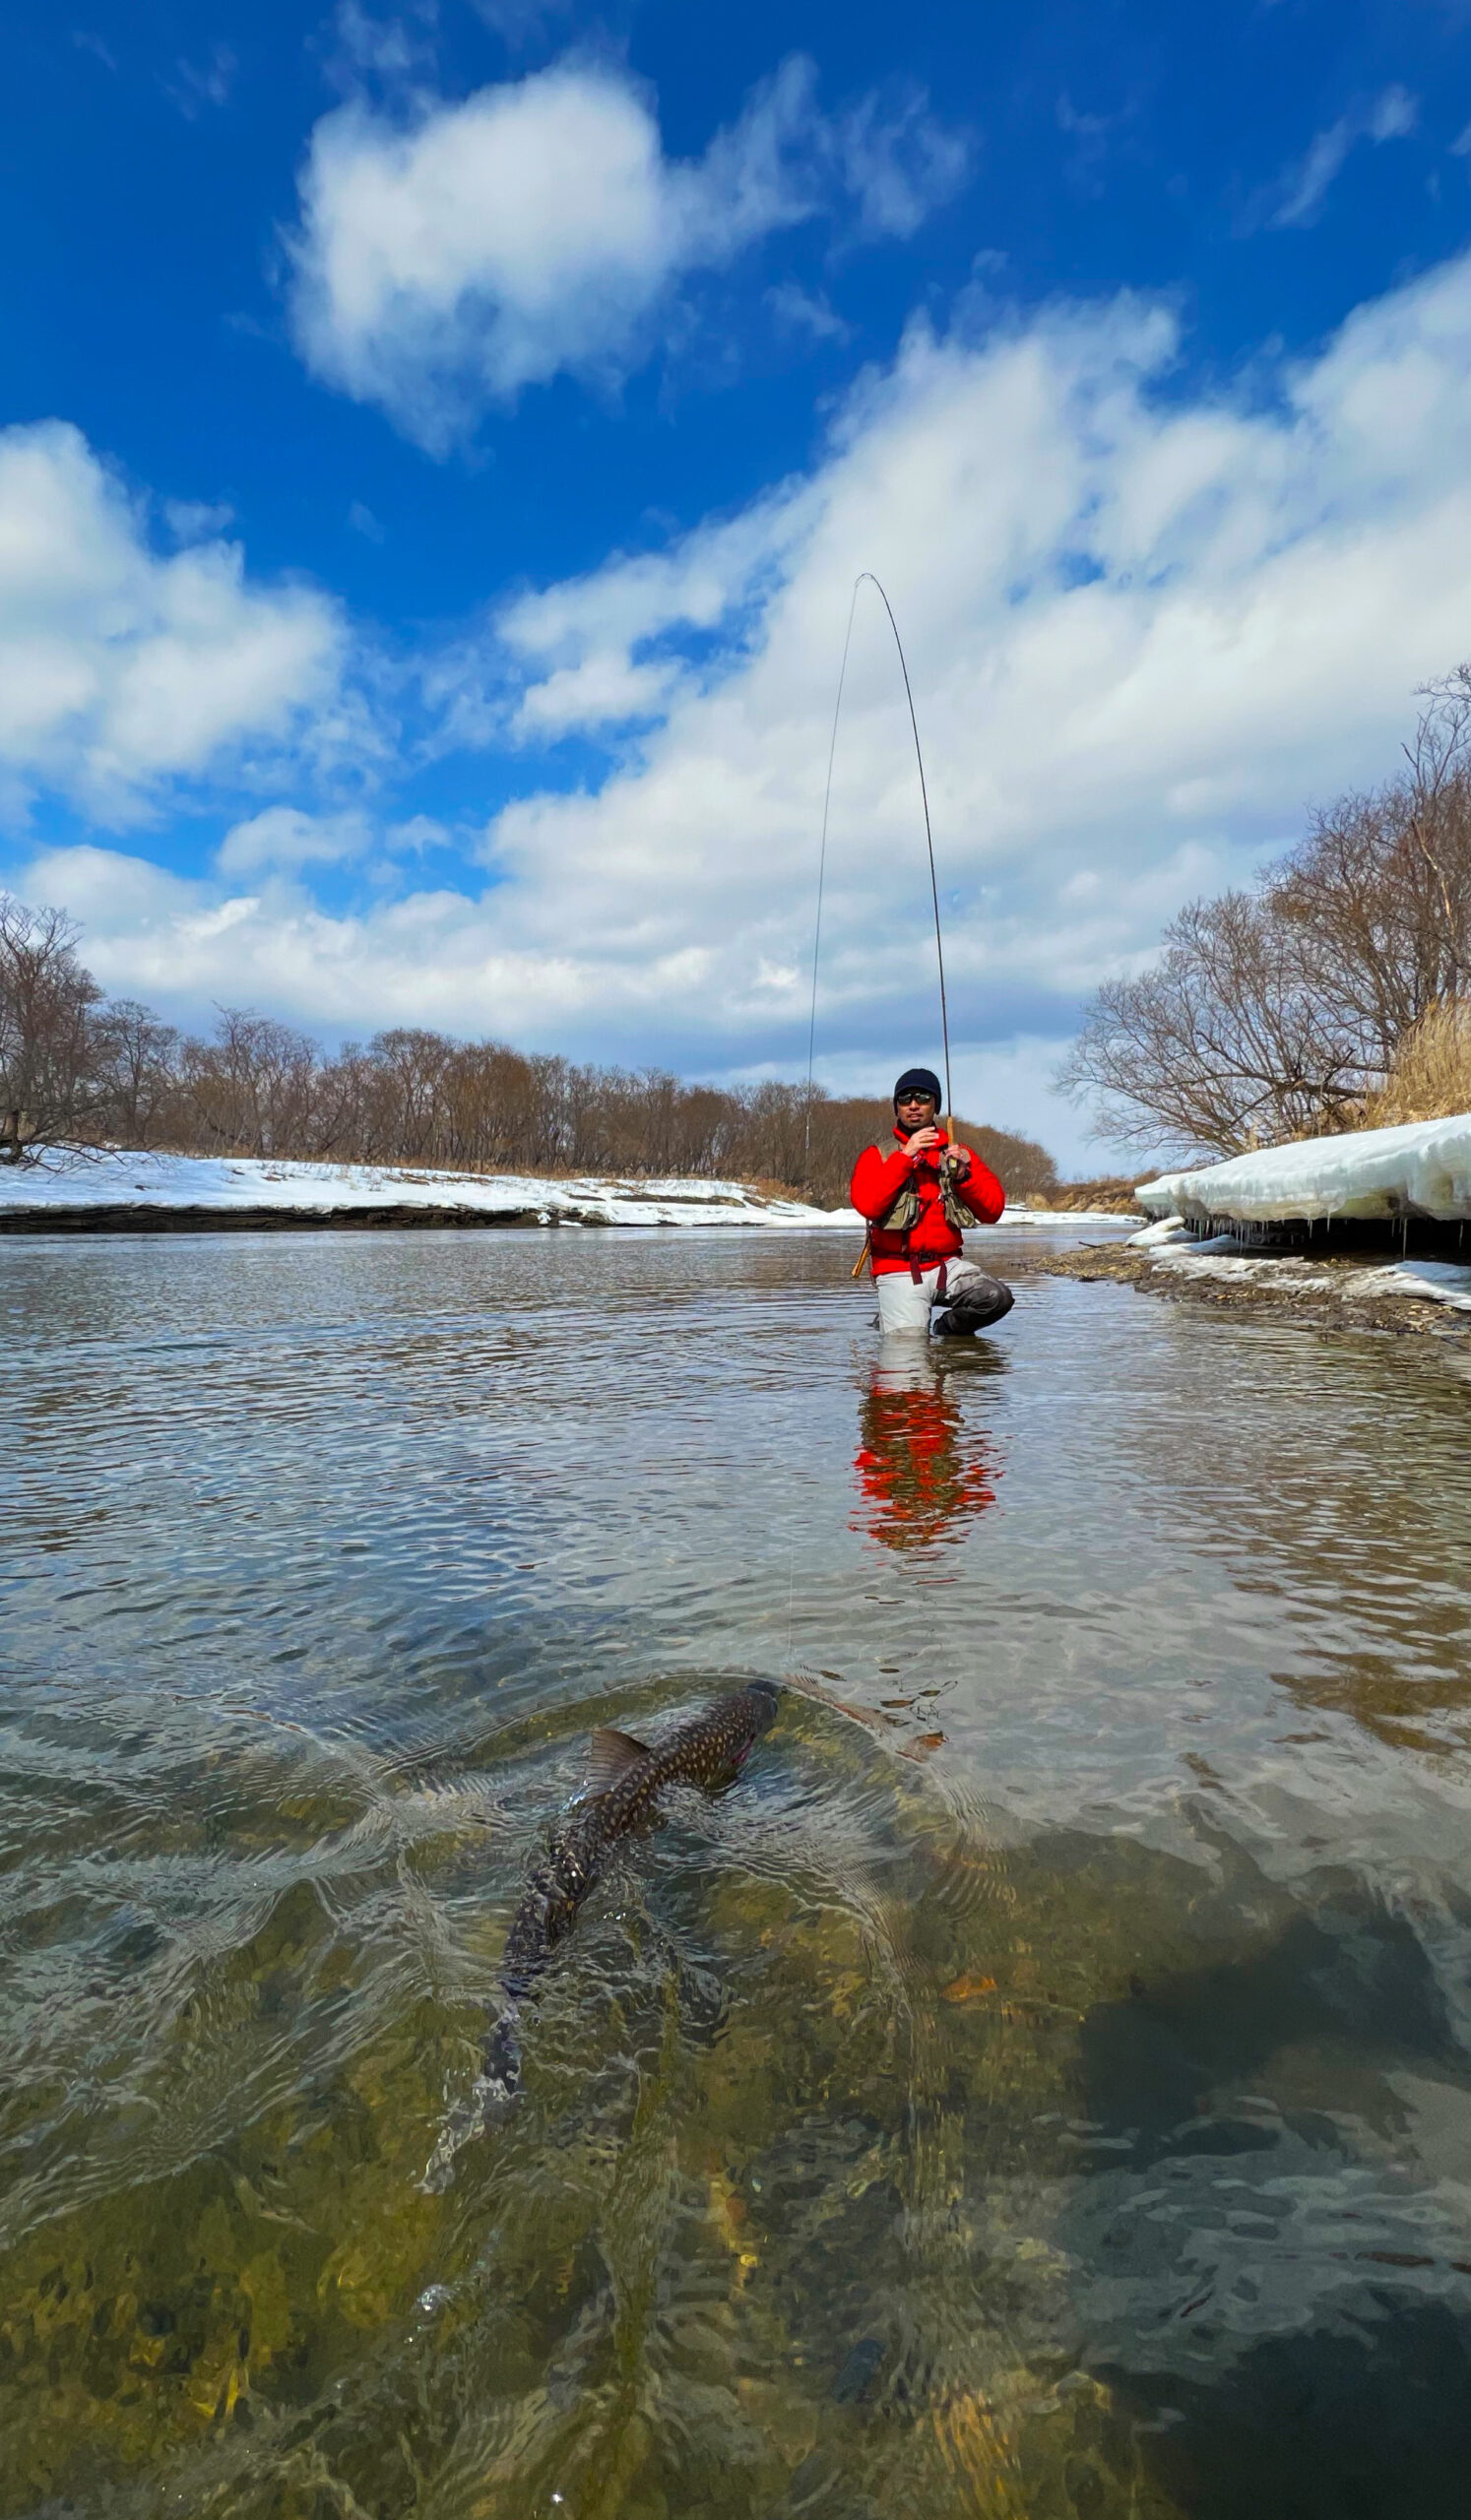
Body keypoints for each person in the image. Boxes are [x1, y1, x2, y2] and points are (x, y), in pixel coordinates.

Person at [849, 1068, 1014, 1336]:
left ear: (935, 1104)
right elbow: (868, 1205)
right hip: (898, 1269)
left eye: (923, 1097)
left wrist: (964, 1176)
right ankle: (895, 1314)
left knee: (996, 1297)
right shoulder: (876, 1155)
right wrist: (905, 1157)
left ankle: (946, 1331)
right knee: (909, 1352)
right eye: (904, 1099)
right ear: (896, 1108)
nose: (913, 1105)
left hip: (947, 1266)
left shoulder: (959, 1154)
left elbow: (993, 1211)